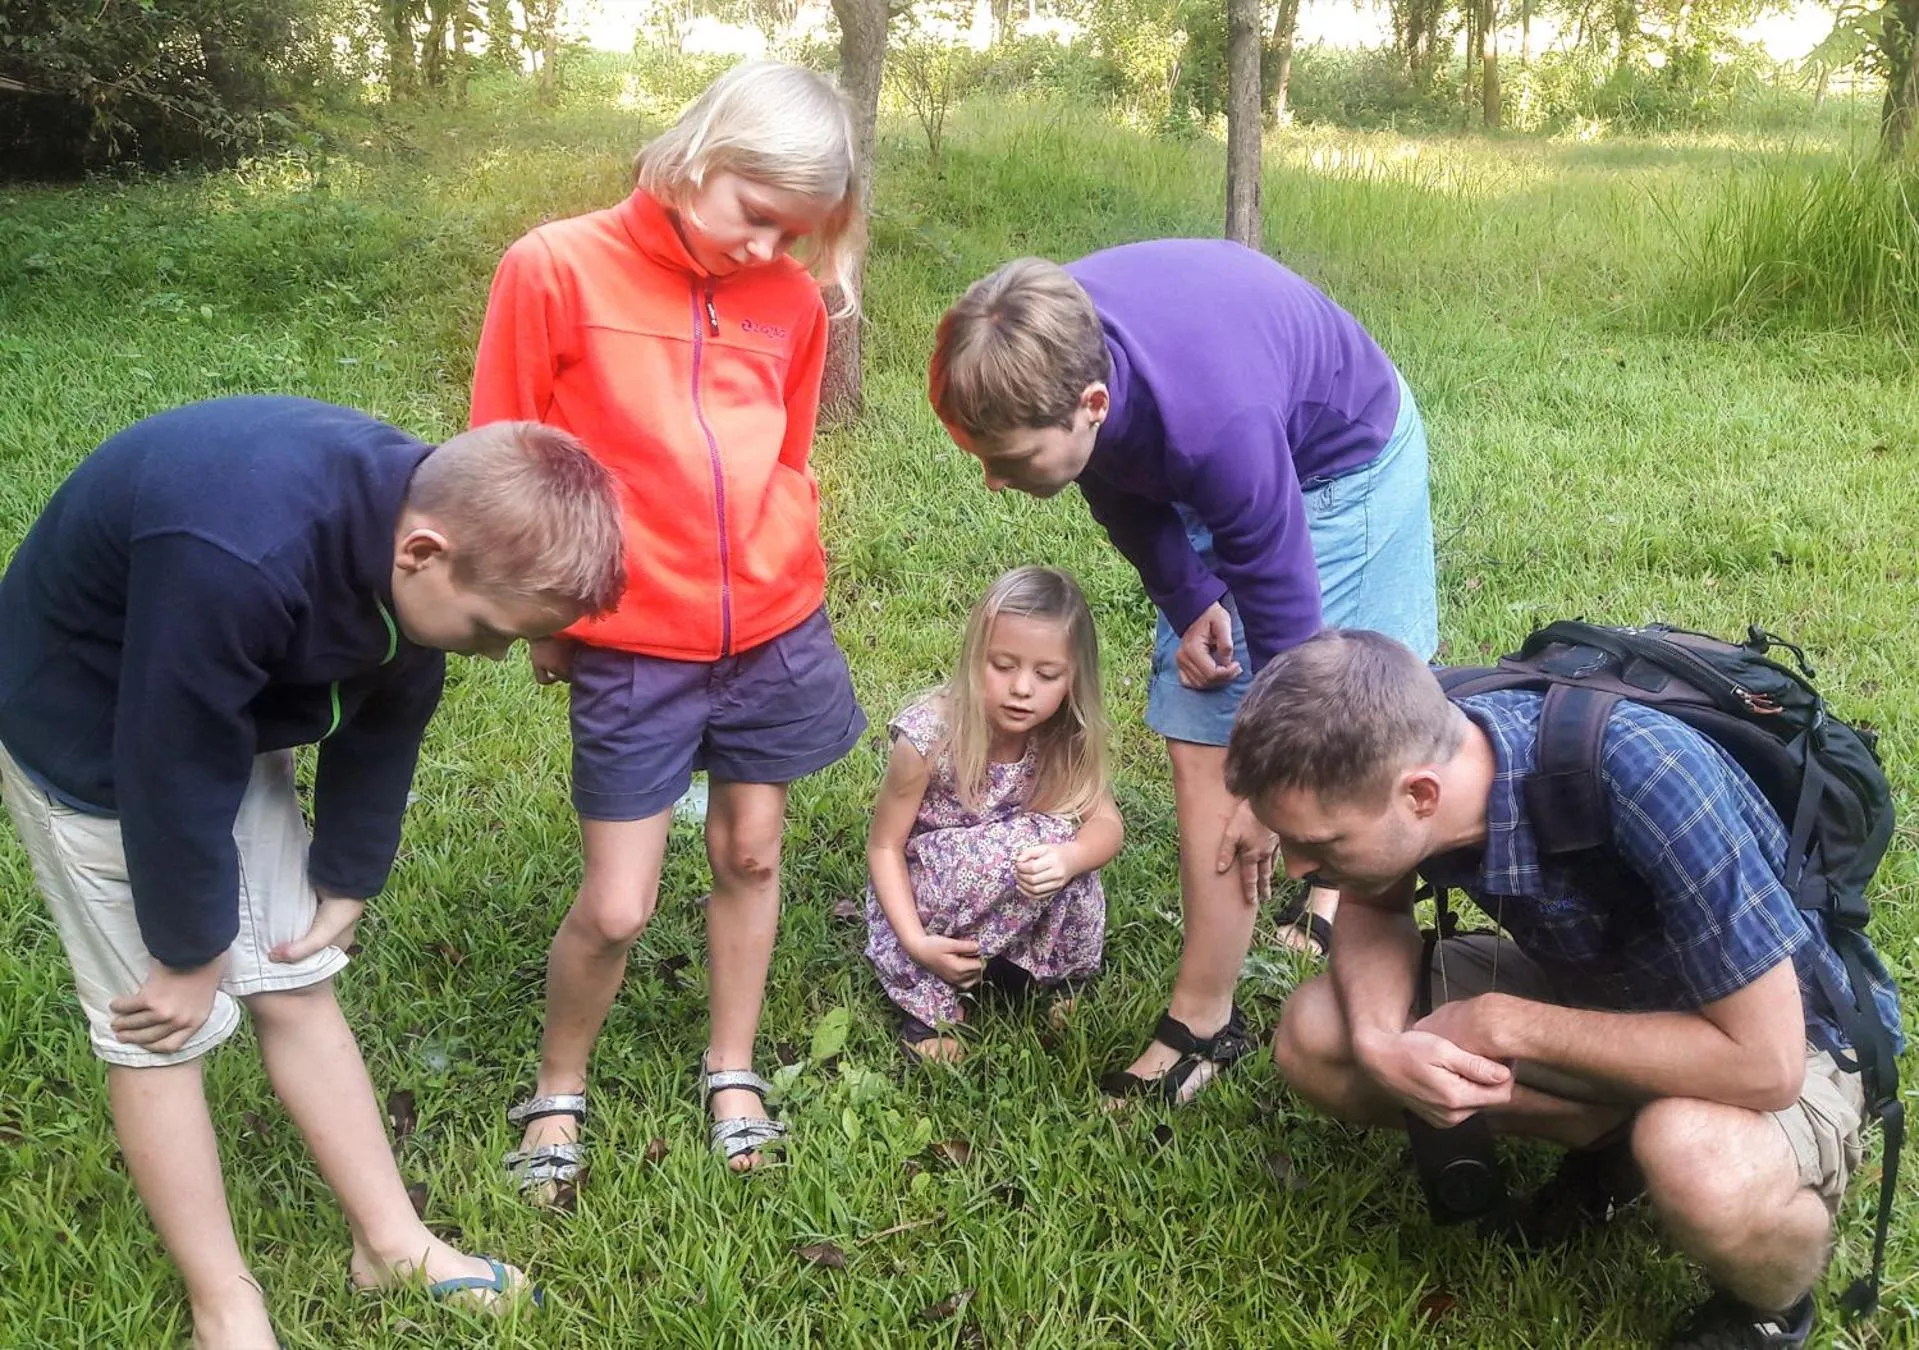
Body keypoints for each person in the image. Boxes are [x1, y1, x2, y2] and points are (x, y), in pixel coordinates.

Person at [0, 395, 626, 1349]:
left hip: (223, 700)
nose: (498, 654)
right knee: (163, 1026)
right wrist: (186, 952)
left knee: (294, 973)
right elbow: (168, 757)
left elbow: (391, 698)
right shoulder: (239, 552)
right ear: (422, 552)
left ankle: (390, 1245)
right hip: (93, 730)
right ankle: (225, 1302)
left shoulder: (421, 532)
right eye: (491, 628)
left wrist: (349, 870)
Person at [1224, 628, 1904, 1349]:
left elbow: (1765, 1067)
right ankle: (1605, 1139)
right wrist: (1380, 1041)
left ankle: (1767, 1310)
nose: (1299, 868)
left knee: (1697, 1158)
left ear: (1420, 795)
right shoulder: (1415, 735)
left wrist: (1504, 1024)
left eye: (1321, 846)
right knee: (1320, 1036)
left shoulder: (1649, 777)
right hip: (1605, 988)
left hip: (1788, 1032)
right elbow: (1371, 903)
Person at [470, 60, 867, 1187]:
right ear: (699, 158)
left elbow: (788, 454)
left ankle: (730, 1068)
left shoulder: (788, 301)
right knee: (618, 902)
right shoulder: (551, 268)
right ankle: (557, 1087)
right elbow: (502, 458)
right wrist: (545, 610)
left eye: (792, 234)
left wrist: (783, 549)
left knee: (751, 848)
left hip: (774, 632)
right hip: (632, 641)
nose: (764, 252)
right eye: (753, 215)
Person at [928, 244, 1437, 1103]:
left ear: (1090, 402)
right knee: (1208, 716)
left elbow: (1293, 643)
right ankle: (1315, 895)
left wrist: (1266, 792)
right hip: (1232, 425)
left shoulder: (1215, 428)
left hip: (1340, 457)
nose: (990, 482)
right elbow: (1115, 474)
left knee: (1253, 738)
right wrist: (1188, 591)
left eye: (1009, 461)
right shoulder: (1050, 347)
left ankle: (1204, 1022)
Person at [864, 566, 1122, 1062]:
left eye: (1047, 675)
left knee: (1065, 851)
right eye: (1003, 665)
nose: (1022, 688)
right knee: (1024, 842)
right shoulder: (930, 738)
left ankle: (1049, 971)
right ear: (974, 657)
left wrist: (1069, 859)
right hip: (938, 905)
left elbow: (1107, 826)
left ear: (1073, 679)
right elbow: (884, 846)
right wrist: (916, 943)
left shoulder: (1064, 738)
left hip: (1020, 899)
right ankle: (929, 1003)